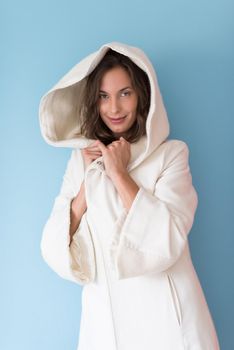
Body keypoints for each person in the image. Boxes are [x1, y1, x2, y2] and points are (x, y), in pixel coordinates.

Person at [39, 42, 220, 350]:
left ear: (141, 96)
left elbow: (167, 239)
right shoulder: (81, 161)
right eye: (104, 96)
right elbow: (54, 249)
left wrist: (119, 173)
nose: (115, 108)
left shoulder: (171, 155)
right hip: (107, 325)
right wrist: (88, 182)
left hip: (169, 321)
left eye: (125, 93)